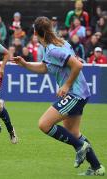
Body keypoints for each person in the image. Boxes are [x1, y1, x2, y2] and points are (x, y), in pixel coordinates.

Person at [12, 16, 105, 176]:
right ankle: (97, 167)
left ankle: (79, 147)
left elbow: (78, 64)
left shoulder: (54, 49)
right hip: (80, 93)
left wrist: (66, 85)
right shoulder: (57, 44)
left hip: (75, 93)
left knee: (44, 124)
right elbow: (45, 67)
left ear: (35, 32)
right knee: (74, 133)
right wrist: (26, 64)